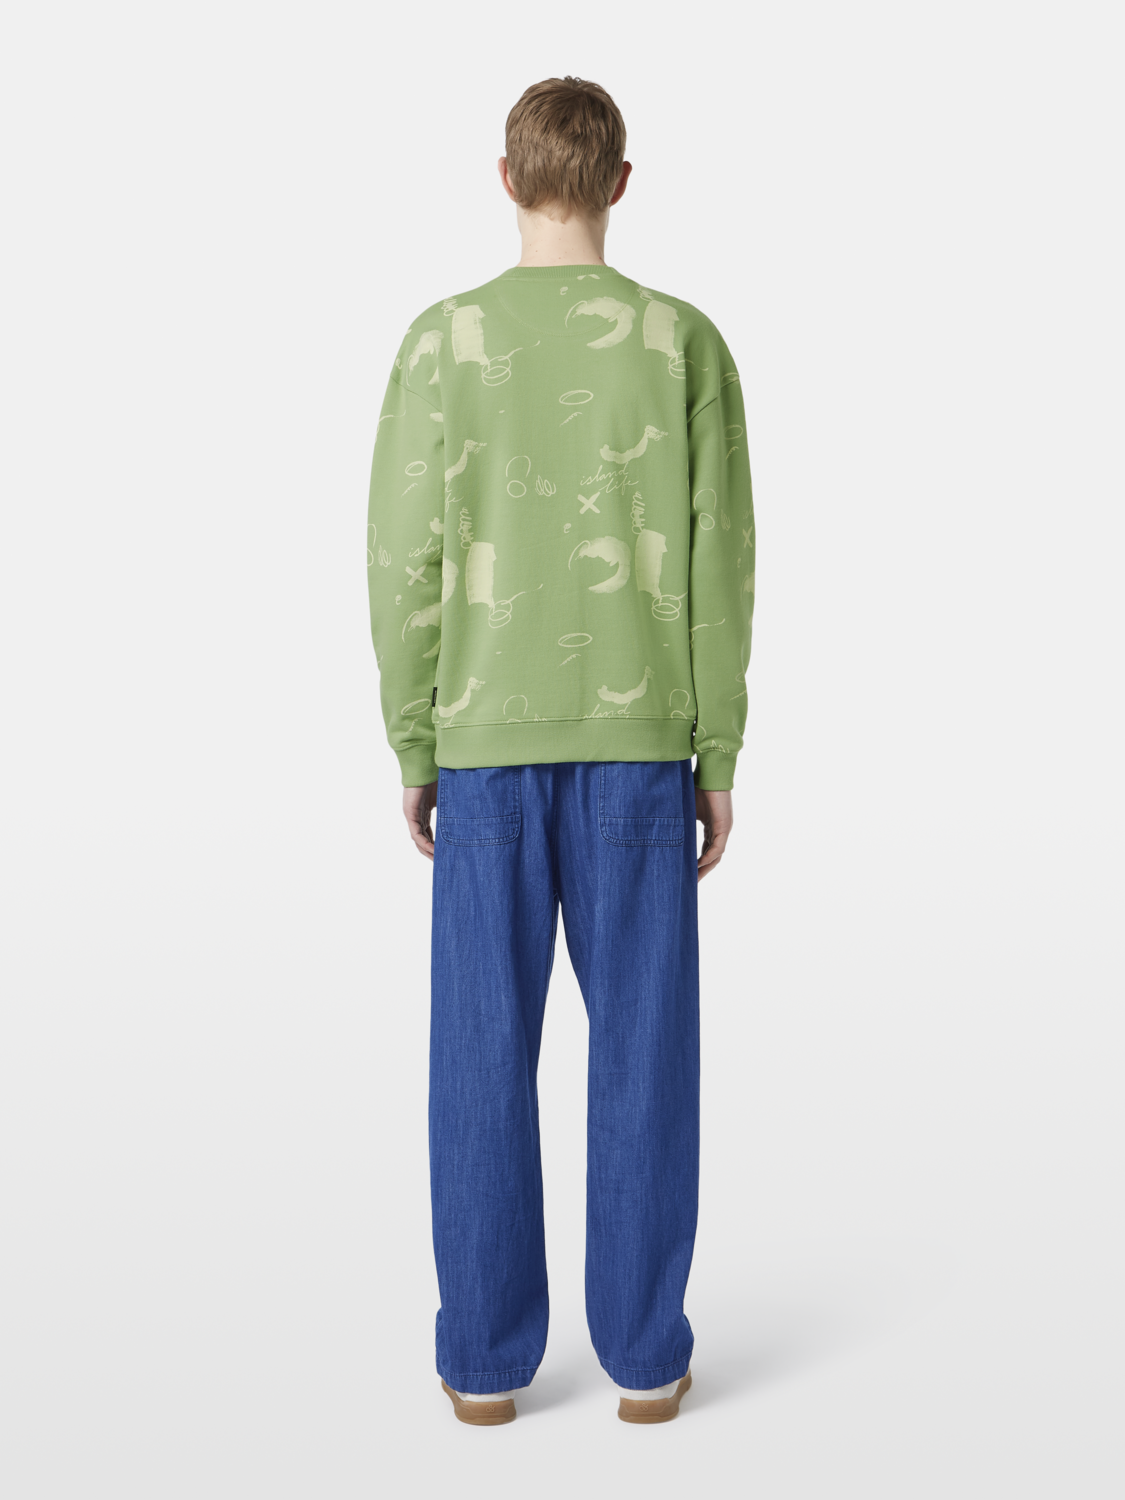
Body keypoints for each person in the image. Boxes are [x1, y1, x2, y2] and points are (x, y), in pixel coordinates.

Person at [366, 76, 754, 1426]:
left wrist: (416, 737)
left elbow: (403, 557)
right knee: (645, 1055)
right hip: (642, 752)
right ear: (622, 182)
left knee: (480, 1057)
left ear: (506, 177)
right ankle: (645, 1359)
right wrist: (716, 751)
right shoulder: (682, 342)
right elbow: (720, 565)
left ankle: (482, 1364)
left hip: (482, 746)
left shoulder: (441, 343)